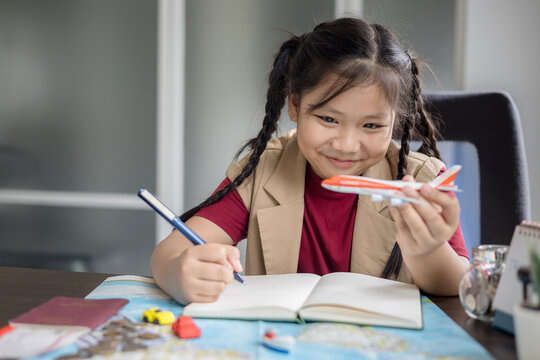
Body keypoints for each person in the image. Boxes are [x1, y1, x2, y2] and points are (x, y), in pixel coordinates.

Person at [151, 17, 470, 305]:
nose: (346, 145)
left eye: (372, 125)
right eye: (328, 119)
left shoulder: (423, 180)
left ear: (395, 122)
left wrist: (426, 249)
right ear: (295, 105)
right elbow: (168, 253)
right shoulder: (263, 170)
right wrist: (181, 274)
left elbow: (460, 284)